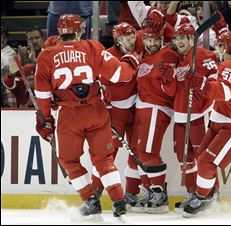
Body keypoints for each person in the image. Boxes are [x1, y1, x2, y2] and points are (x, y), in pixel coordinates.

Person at [33, 14, 139, 218]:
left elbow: (43, 95)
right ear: (79, 30)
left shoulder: (46, 55)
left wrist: (45, 120)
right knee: (104, 159)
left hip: (69, 115)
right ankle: (118, 201)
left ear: (58, 32)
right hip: (96, 111)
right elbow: (119, 75)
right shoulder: (93, 47)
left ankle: (90, 200)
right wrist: (131, 62)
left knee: (68, 160)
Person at [182, 31, 231, 217]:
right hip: (222, 116)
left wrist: (201, 84)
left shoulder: (230, 66)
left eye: (219, 46)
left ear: (224, 48)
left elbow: (225, 93)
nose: (216, 50)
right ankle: (212, 194)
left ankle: (203, 197)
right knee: (202, 156)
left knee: (206, 161)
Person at [160, 23, 218, 213]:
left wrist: (200, 86)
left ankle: (210, 194)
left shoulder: (204, 55)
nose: (178, 42)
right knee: (184, 157)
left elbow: (214, 82)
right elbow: (171, 93)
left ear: (192, 39)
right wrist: (167, 80)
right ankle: (193, 192)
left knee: (203, 157)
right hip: (180, 114)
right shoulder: (179, 60)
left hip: (199, 114)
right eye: (176, 39)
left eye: (182, 38)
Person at [90, 22, 143, 211]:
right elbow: (100, 85)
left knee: (136, 151)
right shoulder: (109, 56)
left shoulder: (139, 47)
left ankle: (132, 192)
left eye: (132, 37)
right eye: (126, 38)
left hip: (135, 107)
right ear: (117, 40)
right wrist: (106, 111)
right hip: (115, 112)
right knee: (107, 155)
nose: (131, 41)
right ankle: (94, 194)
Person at [132, 25, 179, 214]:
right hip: (142, 106)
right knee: (138, 152)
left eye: (155, 40)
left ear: (161, 39)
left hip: (157, 108)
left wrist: (169, 81)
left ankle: (159, 195)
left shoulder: (168, 55)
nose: (151, 44)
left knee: (149, 152)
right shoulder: (143, 56)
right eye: (148, 40)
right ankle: (150, 190)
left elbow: (172, 90)